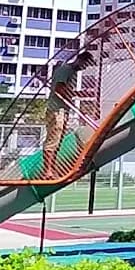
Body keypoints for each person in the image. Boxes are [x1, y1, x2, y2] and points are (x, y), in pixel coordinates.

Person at [43, 48, 95, 177]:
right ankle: (48, 170)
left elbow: (65, 91)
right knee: (53, 139)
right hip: (56, 110)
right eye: (84, 64)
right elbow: (59, 89)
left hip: (62, 109)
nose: (83, 68)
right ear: (79, 60)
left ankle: (51, 168)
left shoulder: (71, 72)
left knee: (58, 140)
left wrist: (78, 94)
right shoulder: (65, 70)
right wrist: (73, 96)